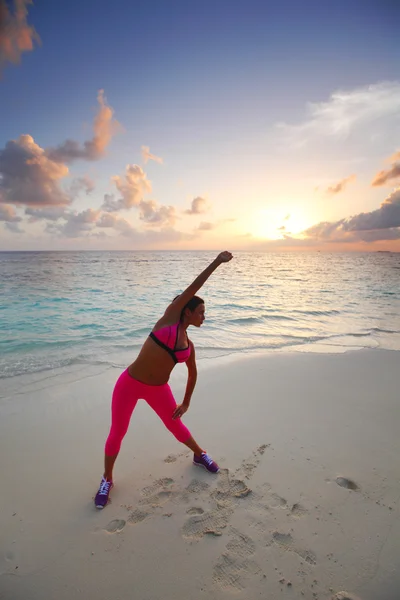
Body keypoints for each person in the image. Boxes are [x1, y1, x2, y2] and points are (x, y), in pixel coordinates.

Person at [94, 251, 233, 509]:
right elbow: (194, 286)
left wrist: (186, 402)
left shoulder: (189, 345)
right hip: (130, 384)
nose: (204, 316)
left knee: (176, 426)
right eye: (201, 311)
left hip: (159, 390)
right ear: (187, 311)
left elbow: (193, 373)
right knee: (118, 432)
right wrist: (216, 262)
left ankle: (199, 455)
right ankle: (107, 479)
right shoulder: (169, 319)